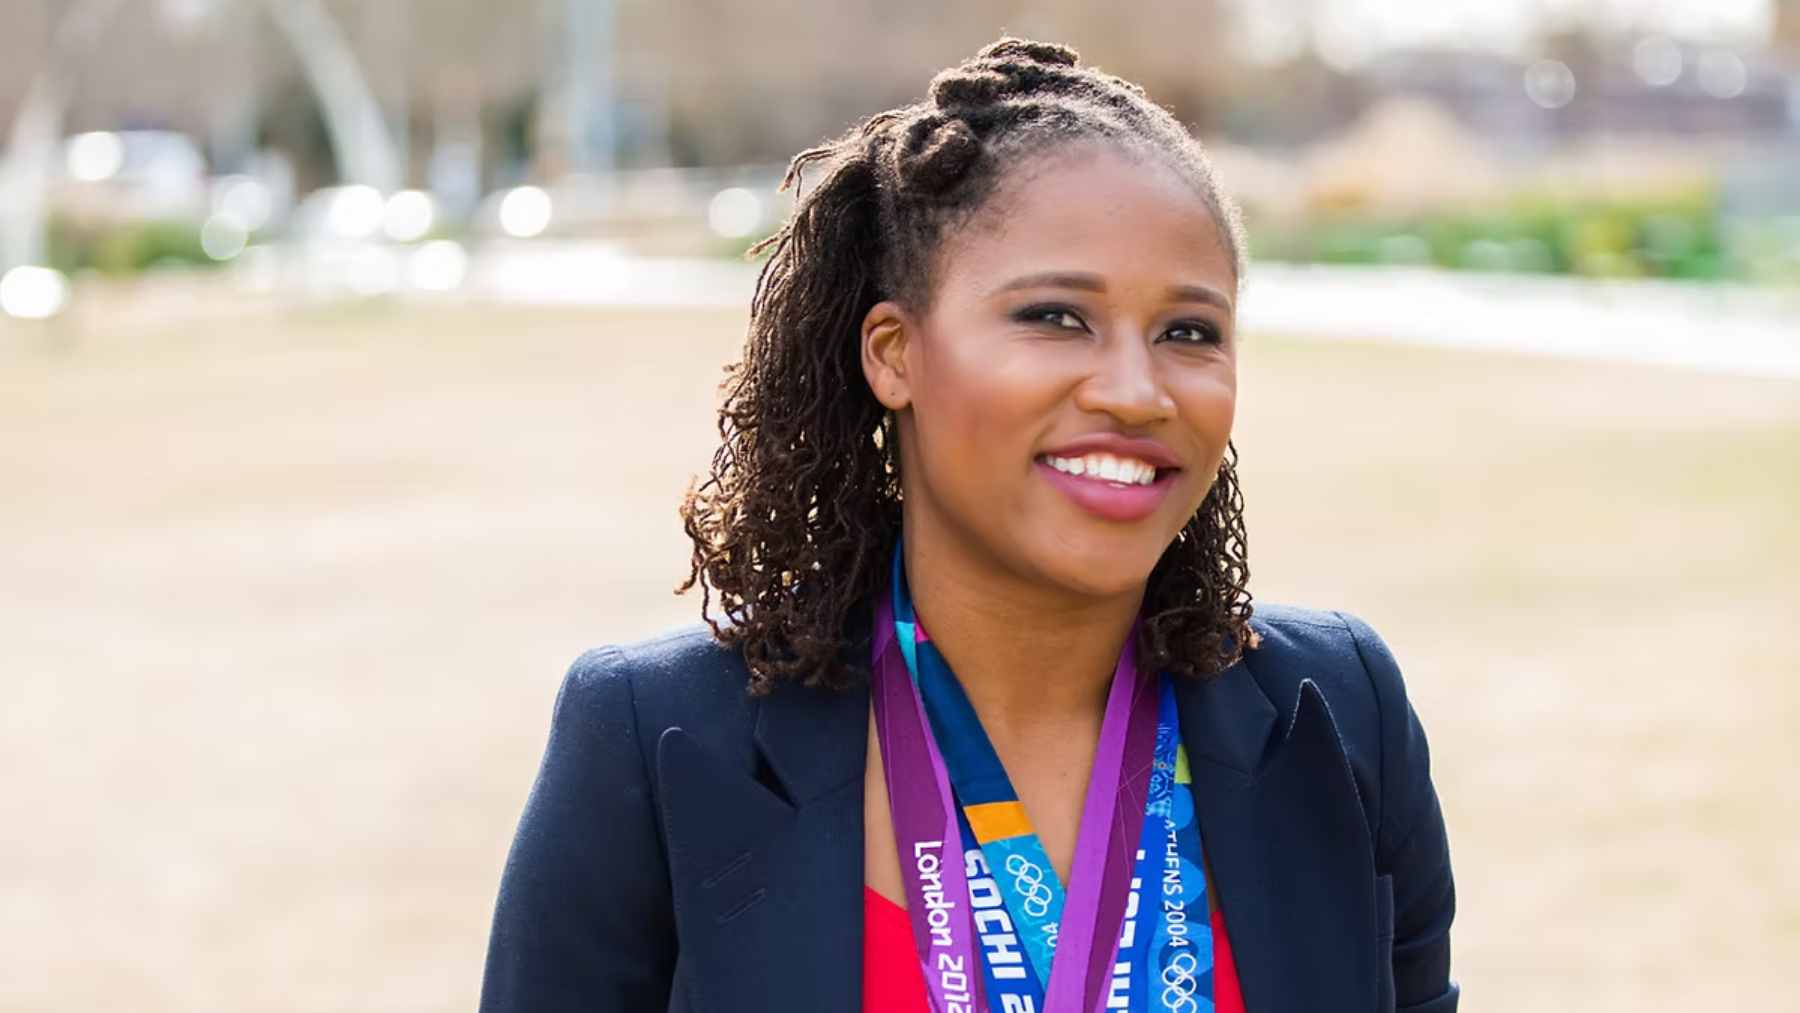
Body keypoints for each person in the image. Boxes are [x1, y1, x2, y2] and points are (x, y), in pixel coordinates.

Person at [477, 37, 1458, 1013]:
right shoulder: (660, 741)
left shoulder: (1336, 711)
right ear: (895, 354)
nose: (1135, 389)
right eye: (1056, 317)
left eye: (1189, 331)